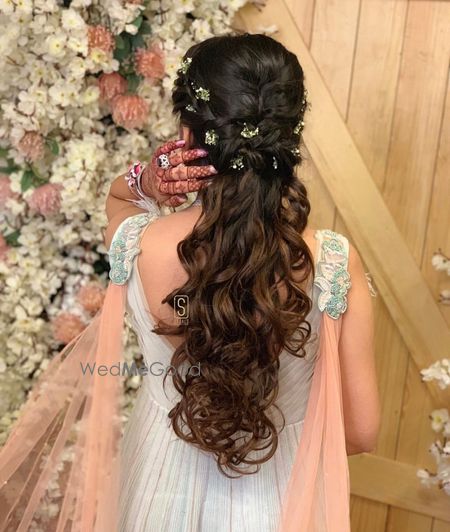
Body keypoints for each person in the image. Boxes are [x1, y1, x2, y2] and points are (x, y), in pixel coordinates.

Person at [0, 33, 380, 532]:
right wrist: (284, 426)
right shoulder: (333, 262)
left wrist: (148, 179)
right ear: (288, 138)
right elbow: (360, 430)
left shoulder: (140, 243)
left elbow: (119, 199)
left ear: (188, 135)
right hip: (282, 500)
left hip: (158, 489)